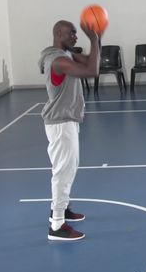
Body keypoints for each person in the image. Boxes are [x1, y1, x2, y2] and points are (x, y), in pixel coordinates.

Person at [38, 19, 101, 240]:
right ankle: (56, 225)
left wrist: (92, 42)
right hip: (60, 123)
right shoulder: (59, 61)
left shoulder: (65, 55)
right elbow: (93, 70)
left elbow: (90, 61)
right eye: (71, 33)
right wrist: (94, 39)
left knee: (68, 168)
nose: (75, 37)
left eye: (76, 33)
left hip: (67, 120)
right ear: (58, 33)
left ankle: (62, 208)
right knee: (63, 172)